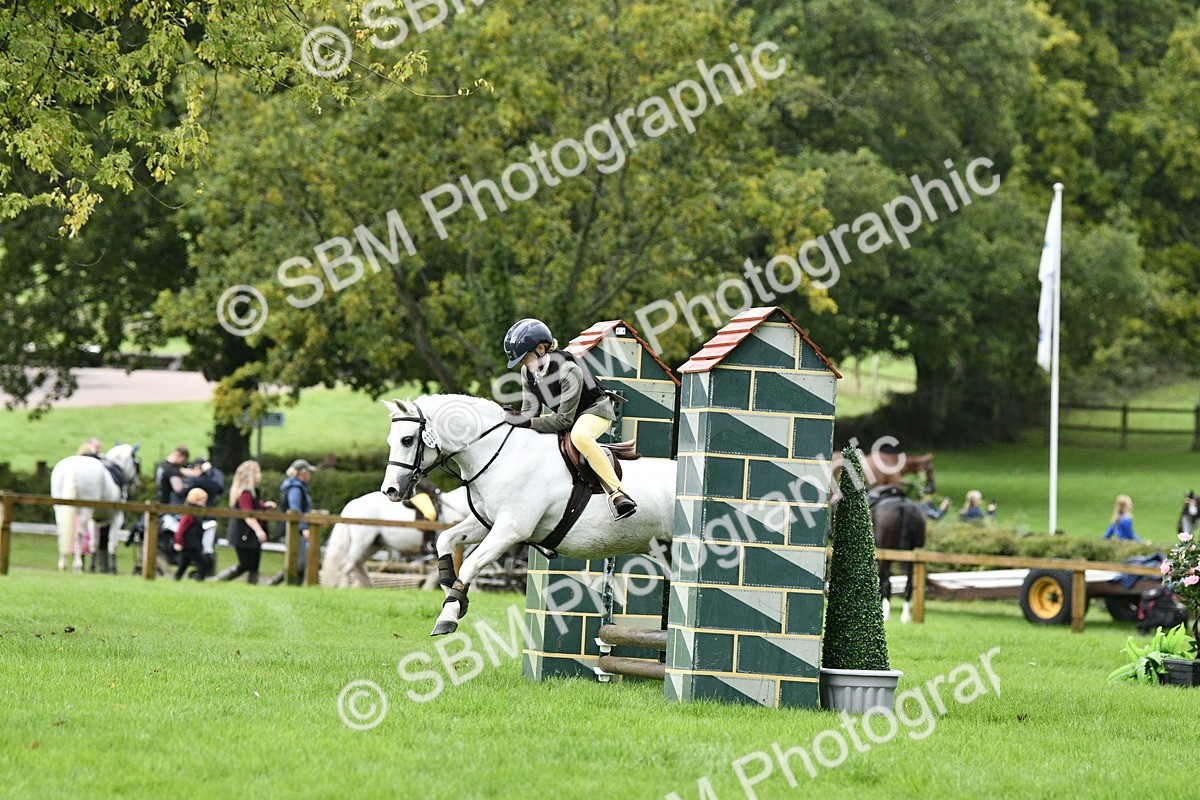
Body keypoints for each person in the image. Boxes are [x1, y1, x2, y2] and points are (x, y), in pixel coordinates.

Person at [502, 318, 636, 520]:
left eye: (524, 357)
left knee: (580, 436)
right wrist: (514, 419)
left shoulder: (568, 369)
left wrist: (528, 422)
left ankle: (618, 494)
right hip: (569, 415)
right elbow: (531, 412)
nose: (522, 362)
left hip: (595, 410)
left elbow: (564, 420)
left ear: (541, 349)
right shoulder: (526, 372)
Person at [215, 460, 276, 584]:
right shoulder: (245, 494)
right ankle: (218, 580)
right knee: (245, 564)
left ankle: (252, 587)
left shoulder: (252, 493)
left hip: (249, 534)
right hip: (245, 534)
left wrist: (263, 506)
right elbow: (247, 514)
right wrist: (259, 530)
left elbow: (252, 509)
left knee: (253, 565)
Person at [266, 459, 317, 585]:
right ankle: (273, 583)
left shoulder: (296, 486)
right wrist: (304, 527)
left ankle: (292, 587)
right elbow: (295, 510)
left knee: (299, 562)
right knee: (299, 563)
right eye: (309, 472)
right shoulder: (295, 489)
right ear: (302, 473)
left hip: (294, 527)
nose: (310, 475)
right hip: (293, 529)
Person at [173, 488, 212, 580]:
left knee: (184, 564)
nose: (204, 503)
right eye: (203, 501)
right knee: (203, 563)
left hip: (192, 543)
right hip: (190, 544)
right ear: (196, 500)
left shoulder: (195, 512)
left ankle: (176, 578)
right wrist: (178, 542)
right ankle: (200, 579)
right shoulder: (190, 513)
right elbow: (181, 528)